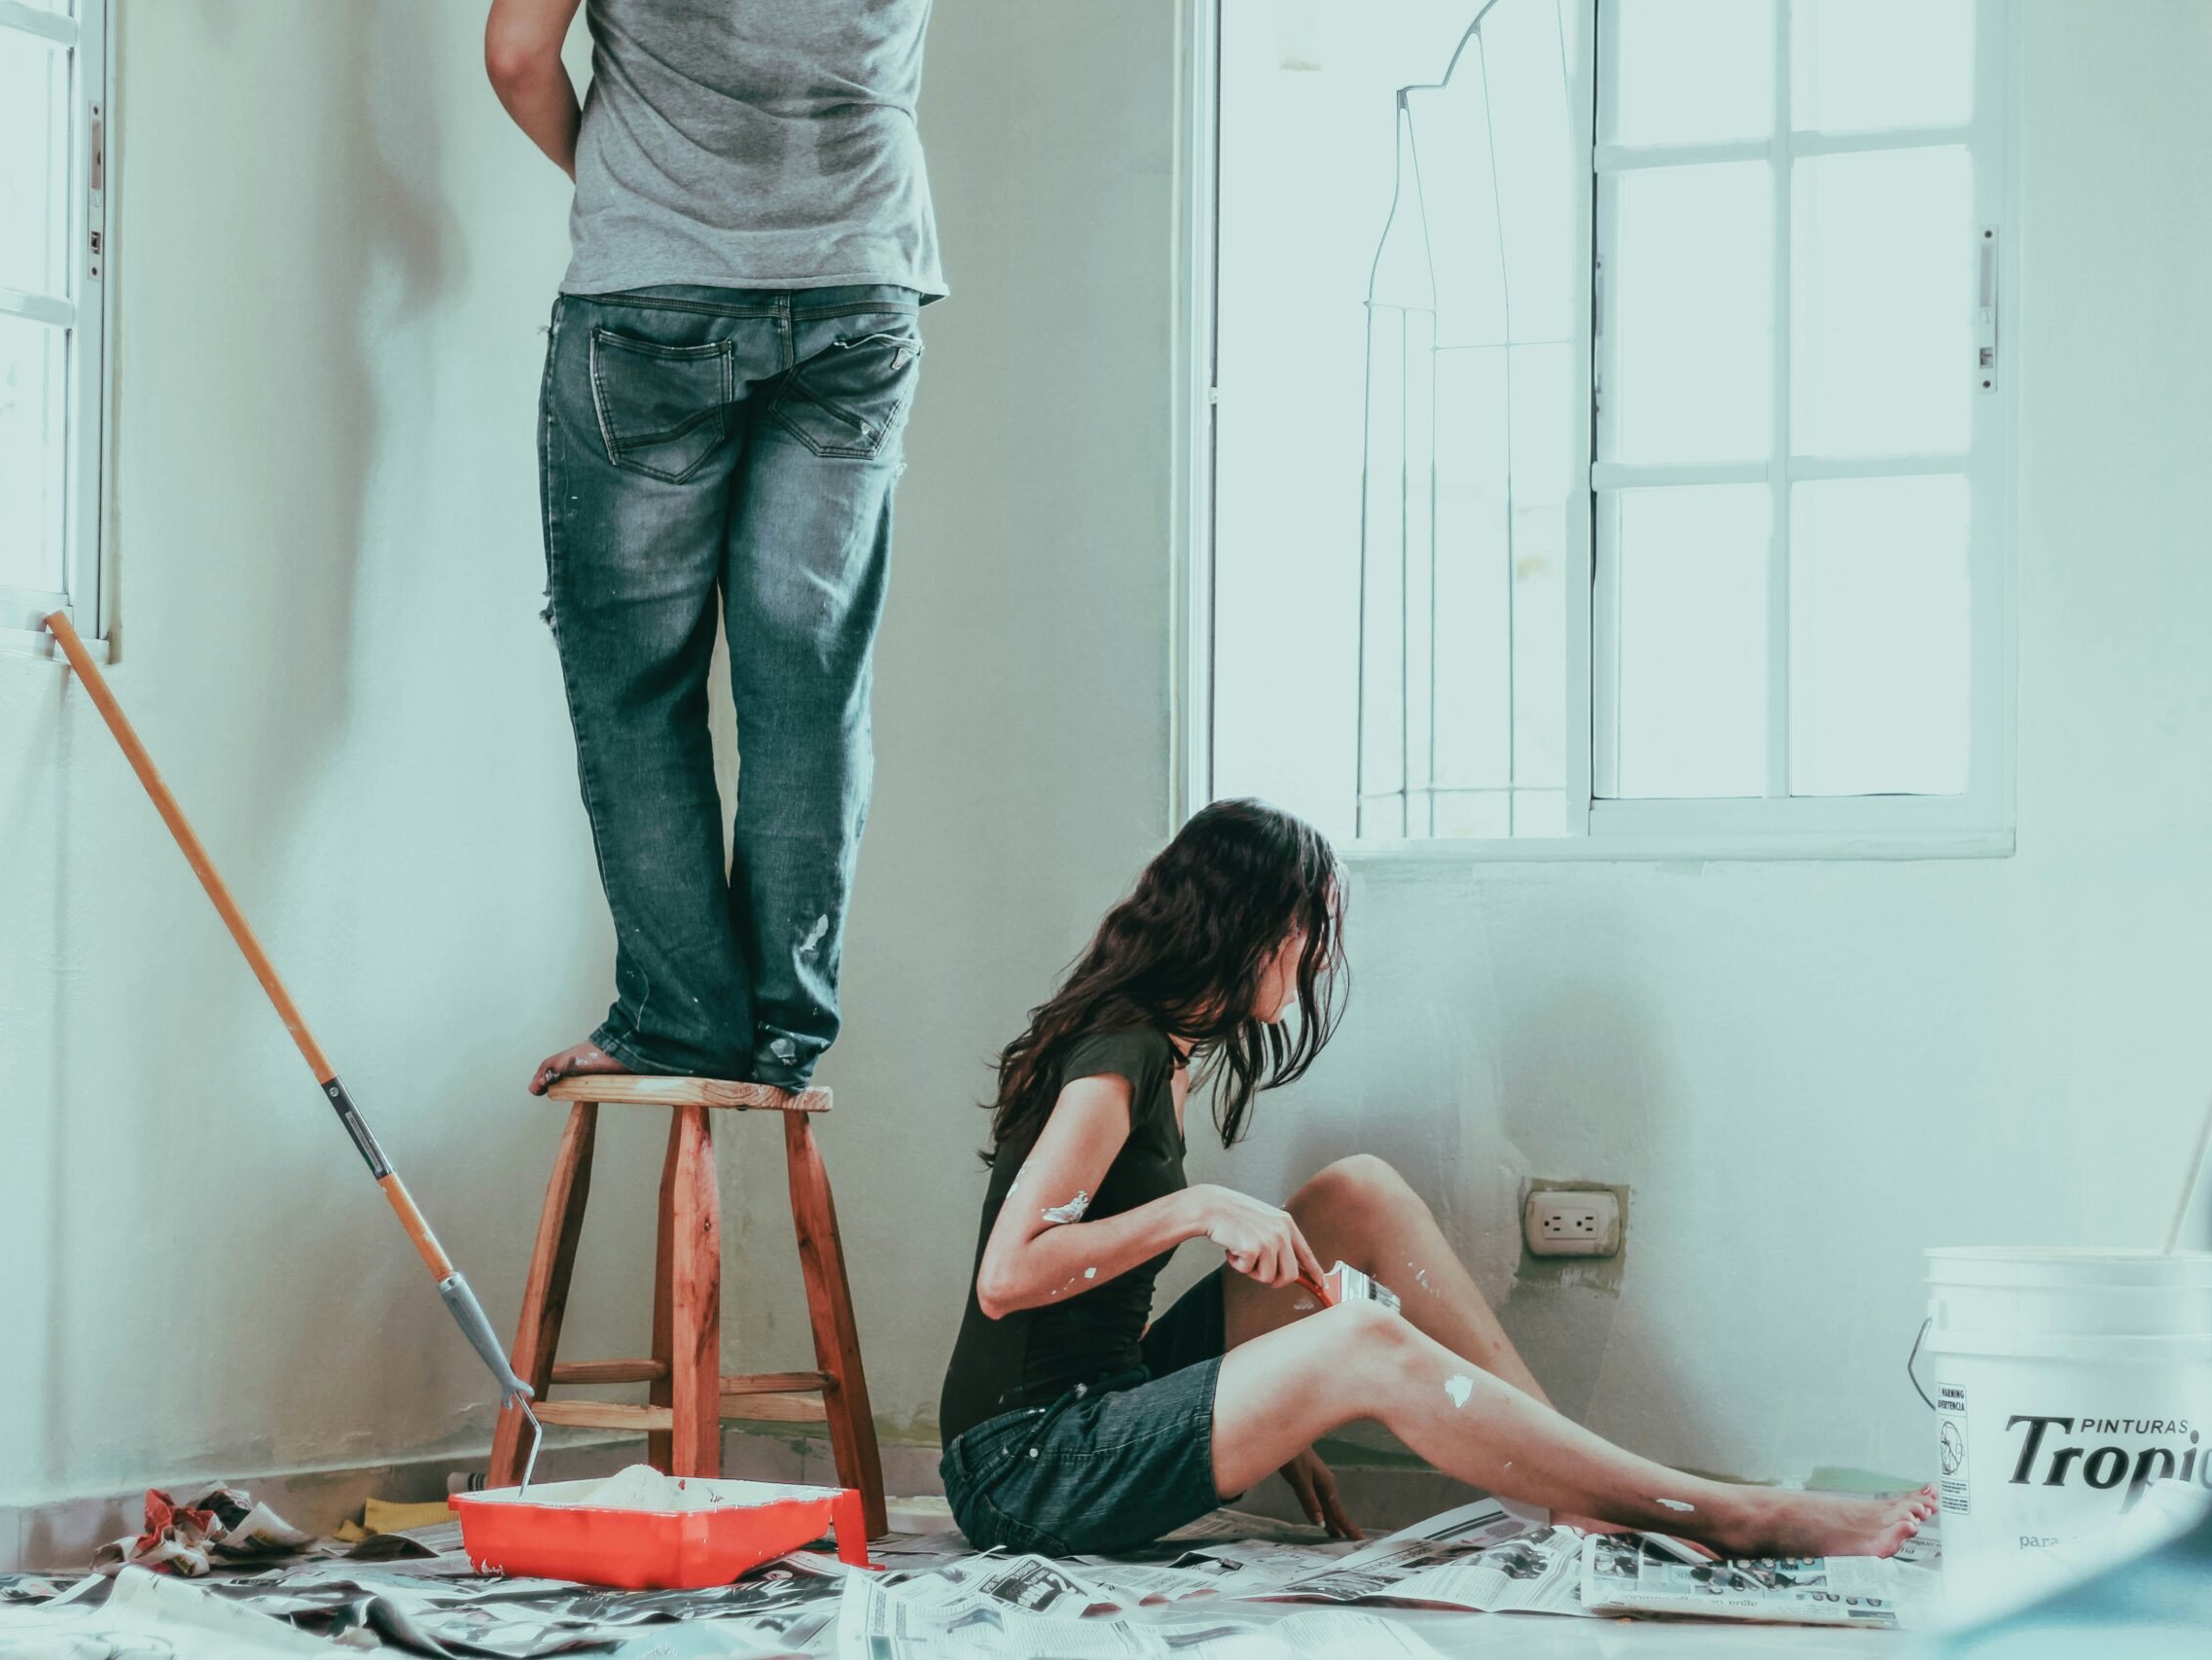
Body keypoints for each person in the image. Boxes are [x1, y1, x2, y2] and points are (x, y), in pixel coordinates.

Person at [937, 798, 1939, 1558]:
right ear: (1260, 929)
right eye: (1308, 931)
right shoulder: (1123, 1058)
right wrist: (1195, 1208)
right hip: (1027, 1464)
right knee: (1359, 1337)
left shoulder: (1168, 1050)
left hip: (1103, 1398)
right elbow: (1009, 1277)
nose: (1314, 960)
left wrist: (1256, 1408)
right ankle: (1736, 1511)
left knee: (1355, 1193)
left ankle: (1567, 1480)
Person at [483, 0, 943, 1093]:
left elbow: (515, 56)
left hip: (652, 293)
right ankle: (785, 1028)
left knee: (638, 688)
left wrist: (621, 187)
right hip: (859, 284)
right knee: (808, 682)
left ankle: (681, 1022)